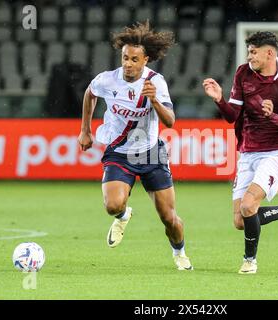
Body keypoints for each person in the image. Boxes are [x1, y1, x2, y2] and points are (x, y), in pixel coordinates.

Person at [78, 21, 193, 271]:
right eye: (125, 58)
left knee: (169, 219)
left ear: (145, 60)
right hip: (119, 154)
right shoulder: (108, 80)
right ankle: (123, 216)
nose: (128, 64)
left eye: (134, 59)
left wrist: (154, 101)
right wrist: (85, 130)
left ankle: (180, 253)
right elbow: (90, 93)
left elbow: (170, 122)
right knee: (112, 205)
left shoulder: (156, 83)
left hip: (151, 154)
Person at [203, 31, 278, 274]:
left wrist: (272, 116)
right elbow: (232, 116)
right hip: (248, 152)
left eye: (254, 52)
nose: (249, 56)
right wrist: (219, 100)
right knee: (240, 220)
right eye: (249, 51)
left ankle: (249, 261)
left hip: (276, 153)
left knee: (248, 205)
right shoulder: (243, 73)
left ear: (269, 53)